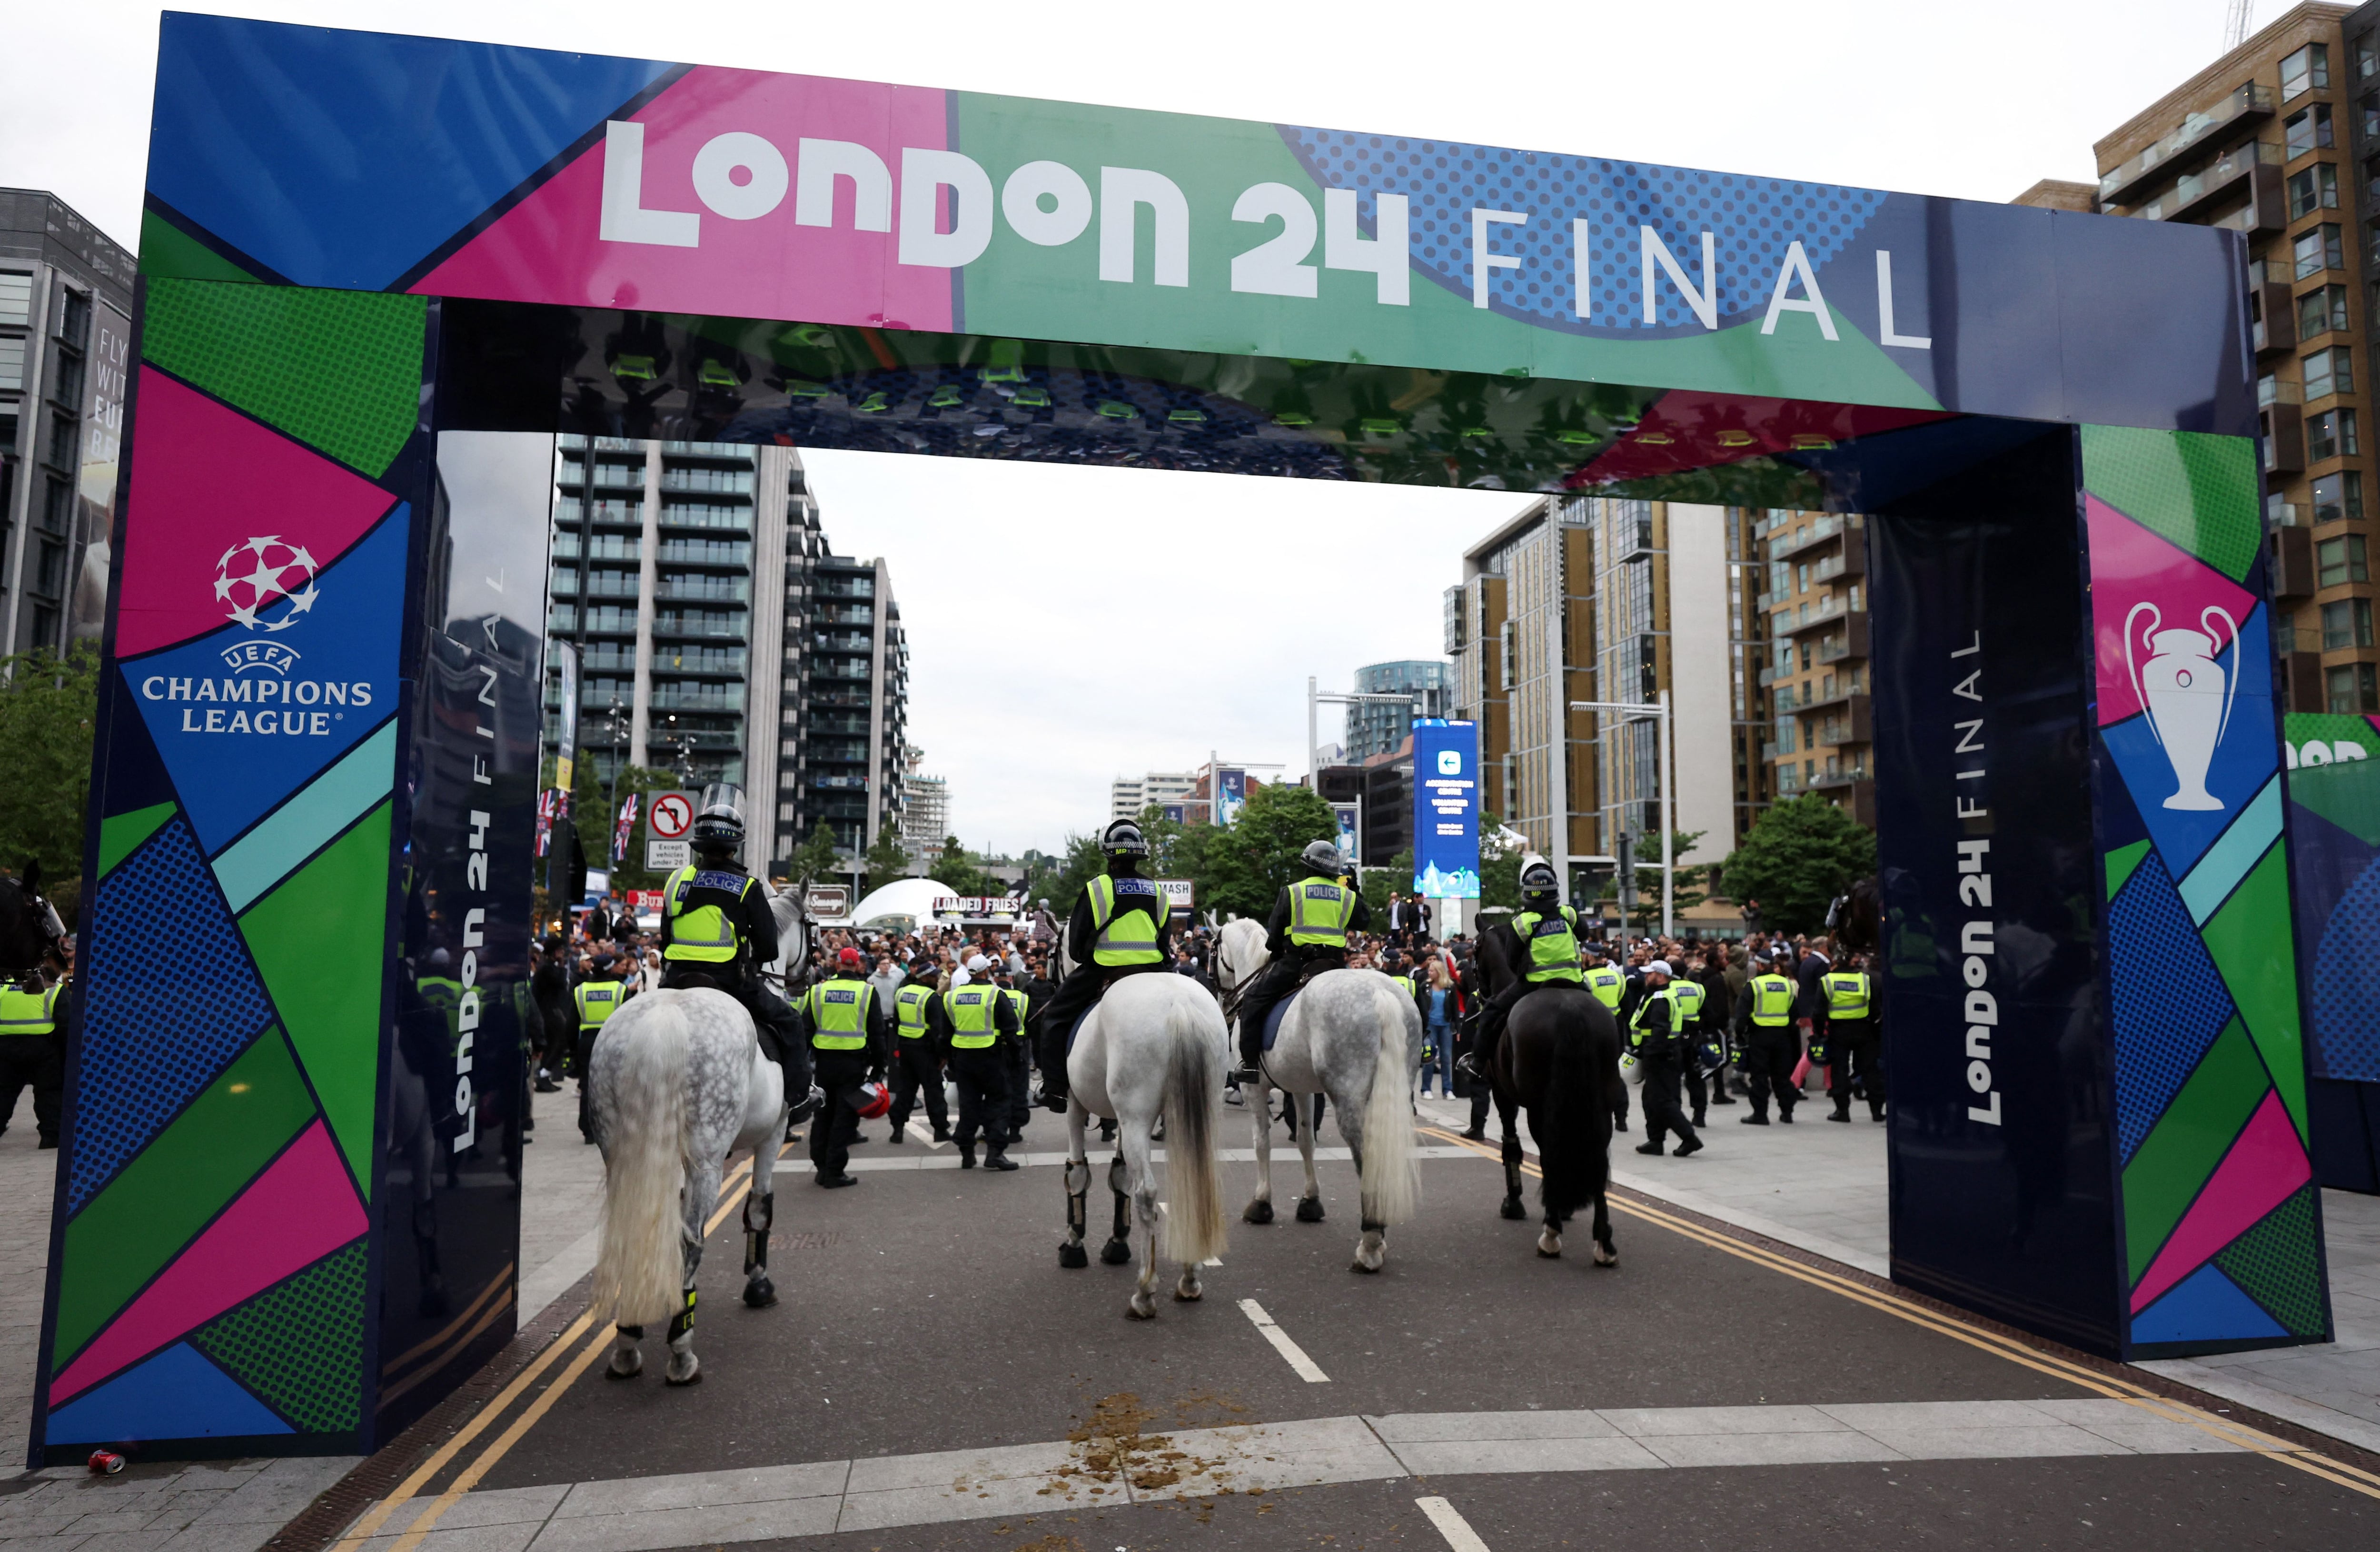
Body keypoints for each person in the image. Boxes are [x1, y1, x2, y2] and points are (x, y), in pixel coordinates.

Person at [657, 788, 805, 1108]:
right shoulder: (748, 887)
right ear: (734, 849)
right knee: (790, 1022)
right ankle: (798, 1098)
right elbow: (768, 949)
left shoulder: (676, 879)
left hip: (675, 978)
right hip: (730, 983)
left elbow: (665, 936)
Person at [1036, 818, 1175, 1108]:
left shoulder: (1097, 888)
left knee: (1054, 1019)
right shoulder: (1158, 892)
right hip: (1153, 971)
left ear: (1108, 854)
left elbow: (1074, 949)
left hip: (1105, 969)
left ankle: (1056, 1089)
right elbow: (1164, 943)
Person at [1232, 840, 1370, 1083]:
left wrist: (1275, 950)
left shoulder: (1292, 892)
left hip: (1297, 964)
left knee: (1253, 999)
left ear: (1307, 867)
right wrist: (1355, 891)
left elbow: (1275, 933)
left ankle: (1251, 1065)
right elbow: (1364, 922)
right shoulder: (1346, 896)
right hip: (1335, 966)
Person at [1456, 859, 1580, 1084]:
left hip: (1535, 983)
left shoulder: (1523, 922)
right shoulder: (1568, 914)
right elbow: (1584, 934)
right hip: (1575, 980)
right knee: (1604, 1011)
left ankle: (1476, 1064)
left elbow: (1512, 960)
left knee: (1491, 1011)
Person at [796, 946, 888, 1187]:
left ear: (837, 965)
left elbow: (805, 1031)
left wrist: (801, 1066)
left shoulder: (818, 991)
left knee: (823, 1115)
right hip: (854, 1065)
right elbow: (877, 1034)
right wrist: (880, 1067)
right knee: (845, 1119)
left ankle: (821, 1167)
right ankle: (835, 1172)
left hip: (825, 1064)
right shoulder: (867, 992)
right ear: (858, 965)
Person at [943, 972, 1023, 1170]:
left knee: (969, 1105)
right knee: (999, 1103)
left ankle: (967, 1155)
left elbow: (945, 1032)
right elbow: (1010, 1029)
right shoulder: (995, 994)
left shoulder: (953, 996)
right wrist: (1016, 1058)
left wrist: (950, 1063)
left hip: (963, 1059)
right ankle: (995, 1154)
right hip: (992, 1057)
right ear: (986, 972)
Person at [1627, 959, 1703, 1157]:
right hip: (1664, 1054)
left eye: (1649, 974)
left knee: (1661, 1101)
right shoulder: (1660, 995)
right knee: (1651, 1099)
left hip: (1660, 1056)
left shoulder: (1661, 998)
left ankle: (1690, 1139)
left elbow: (1660, 1030)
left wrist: (1649, 1053)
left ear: (1660, 976)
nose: (1646, 977)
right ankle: (1656, 1140)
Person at [0, 961, 65, 1148]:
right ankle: (51, 1137)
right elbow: (66, 1022)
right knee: (49, 1092)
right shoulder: (53, 990)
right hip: (43, 1049)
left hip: (6, 1048)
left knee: (4, 1091)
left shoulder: (5, 988)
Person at [1733, 953, 1800, 1124]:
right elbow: (1794, 1012)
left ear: (1760, 965)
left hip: (1760, 1036)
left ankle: (1760, 1114)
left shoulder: (1755, 985)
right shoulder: (1787, 984)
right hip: (1782, 1036)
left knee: (1760, 1076)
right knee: (1782, 1076)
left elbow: (1742, 1014)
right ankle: (1787, 1113)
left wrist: (1740, 1034)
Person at [572, 952, 629, 1142]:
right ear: (611, 969)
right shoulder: (620, 990)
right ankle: (614, 1127)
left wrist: (572, 1051)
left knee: (589, 1087)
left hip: (588, 1041)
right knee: (616, 1085)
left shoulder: (580, 990)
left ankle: (589, 1130)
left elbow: (571, 1023)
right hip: (614, 1041)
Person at [1821, 953, 1885, 1122]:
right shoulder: (1865, 980)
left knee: (1840, 1071)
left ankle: (1842, 1111)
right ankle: (1877, 1111)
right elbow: (1875, 1008)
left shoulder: (1828, 981)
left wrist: (1819, 1034)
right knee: (1871, 1071)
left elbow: (1819, 1010)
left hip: (1838, 1031)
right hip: (1864, 1030)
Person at [886, 973, 949, 1143]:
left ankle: (897, 1130)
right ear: (924, 978)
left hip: (905, 1048)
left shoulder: (902, 992)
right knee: (934, 1091)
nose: (936, 978)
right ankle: (940, 1130)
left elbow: (897, 1022)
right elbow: (938, 1031)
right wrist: (943, 1055)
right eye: (933, 976)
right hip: (925, 1050)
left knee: (905, 1090)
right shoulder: (931, 998)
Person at [1417, 957, 1462, 1098]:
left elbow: (1455, 1008)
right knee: (1429, 1057)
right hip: (1431, 1026)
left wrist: (1458, 1029)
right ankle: (1426, 1089)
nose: (1429, 973)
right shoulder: (1425, 986)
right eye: (1429, 970)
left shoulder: (1450, 987)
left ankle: (1448, 1089)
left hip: (1446, 1026)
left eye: (1432, 971)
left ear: (1439, 972)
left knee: (1446, 1058)